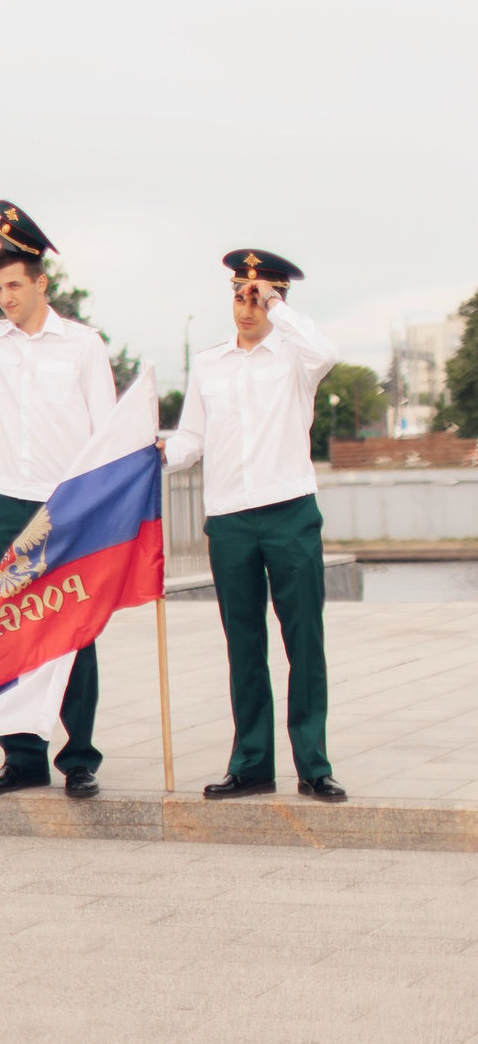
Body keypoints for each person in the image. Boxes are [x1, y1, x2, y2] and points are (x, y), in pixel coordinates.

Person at [0, 201, 114, 798]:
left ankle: (79, 755)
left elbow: (107, 433)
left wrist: (102, 508)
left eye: (15, 284)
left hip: (66, 507)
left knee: (72, 631)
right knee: (10, 630)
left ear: (42, 282)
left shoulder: (84, 345)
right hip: (6, 505)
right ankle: (22, 756)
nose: (5, 296)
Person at [167, 251, 347, 803]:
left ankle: (313, 765)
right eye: (238, 293)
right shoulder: (210, 362)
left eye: (256, 295)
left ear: (275, 299)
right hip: (229, 519)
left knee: (303, 641)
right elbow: (191, 438)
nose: (244, 306)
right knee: (244, 644)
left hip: (289, 510)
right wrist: (150, 460)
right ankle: (251, 764)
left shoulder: (296, 357)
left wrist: (275, 301)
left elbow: (327, 349)